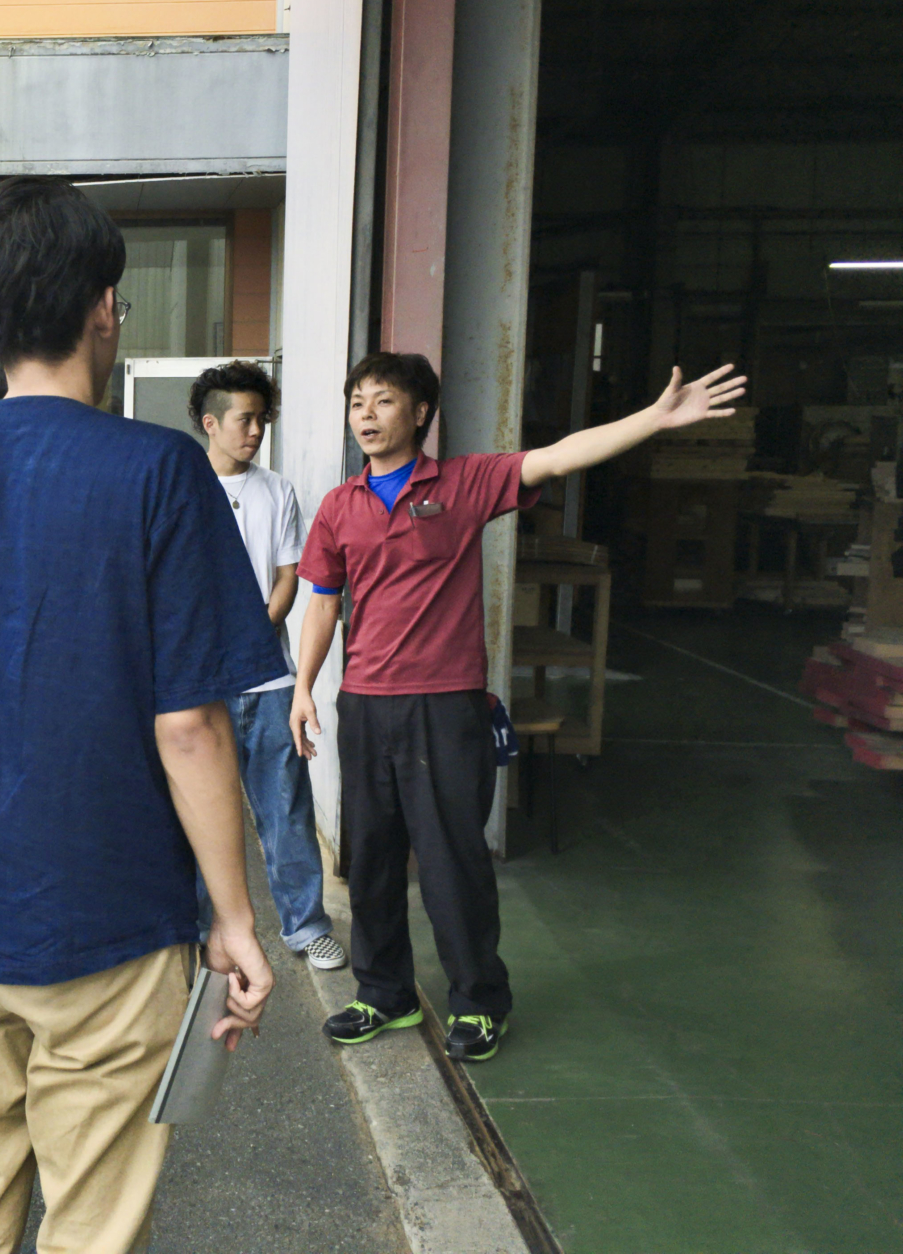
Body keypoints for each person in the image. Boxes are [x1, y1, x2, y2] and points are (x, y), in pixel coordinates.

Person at [0, 177, 278, 1254]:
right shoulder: (160, 470)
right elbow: (191, 725)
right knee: (92, 1223)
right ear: (106, 306)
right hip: (105, 908)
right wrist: (233, 918)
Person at [292, 351, 745, 1063]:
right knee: (371, 857)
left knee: (450, 861)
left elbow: (562, 456)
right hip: (367, 704)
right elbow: (322, 603)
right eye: (357, 403)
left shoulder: (465, 483)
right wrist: (303, 687)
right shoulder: (339, 506)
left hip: (446, 704)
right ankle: (385, 994)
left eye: (382, 402)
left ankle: (478, 1001)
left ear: (419, 413)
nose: (367, 416)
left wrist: (656, 419)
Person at [188, 361, 345, 971]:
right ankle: (199, 929)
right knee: (200, 811)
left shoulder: (277, 490)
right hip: (198, 683)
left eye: (262, 419)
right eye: (244, 419)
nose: (255, 430)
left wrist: (254, 634)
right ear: (211, 422)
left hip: (269, 678)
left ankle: (305, 928)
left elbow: (288, 578)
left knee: (285, 811)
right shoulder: (182, 485)